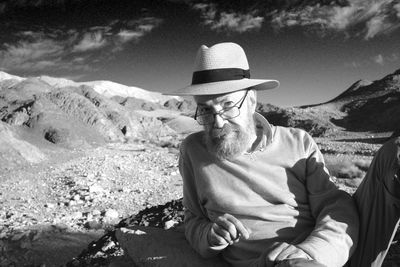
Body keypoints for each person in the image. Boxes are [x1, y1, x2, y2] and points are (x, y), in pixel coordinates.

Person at [168, 42, 400, 267]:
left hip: (321, 256)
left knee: (395, 153)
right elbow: (193, 221)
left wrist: (310, 252)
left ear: (251, 101)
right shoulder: (193, 151)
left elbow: (334, 207)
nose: (217, 122)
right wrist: (210, 235)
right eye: (206, 110)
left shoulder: (297, 142)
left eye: (227, 105)